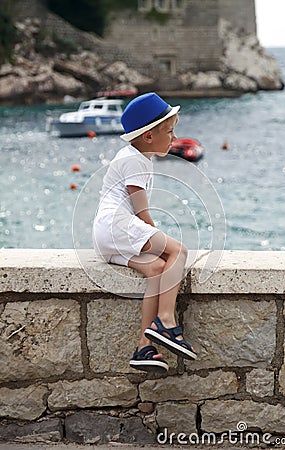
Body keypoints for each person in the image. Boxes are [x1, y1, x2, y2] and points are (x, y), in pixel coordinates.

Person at [93, 92, 197, 373]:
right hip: (118, 224)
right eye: (170, 131)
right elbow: (138, 202)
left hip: (104, 235)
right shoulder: (137, 159)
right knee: (179, 251)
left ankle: (144, 348)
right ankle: (165, 320)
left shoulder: (131, 155)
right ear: (149, 136)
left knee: (158, 269)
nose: (174, 138)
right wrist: (153, 228)